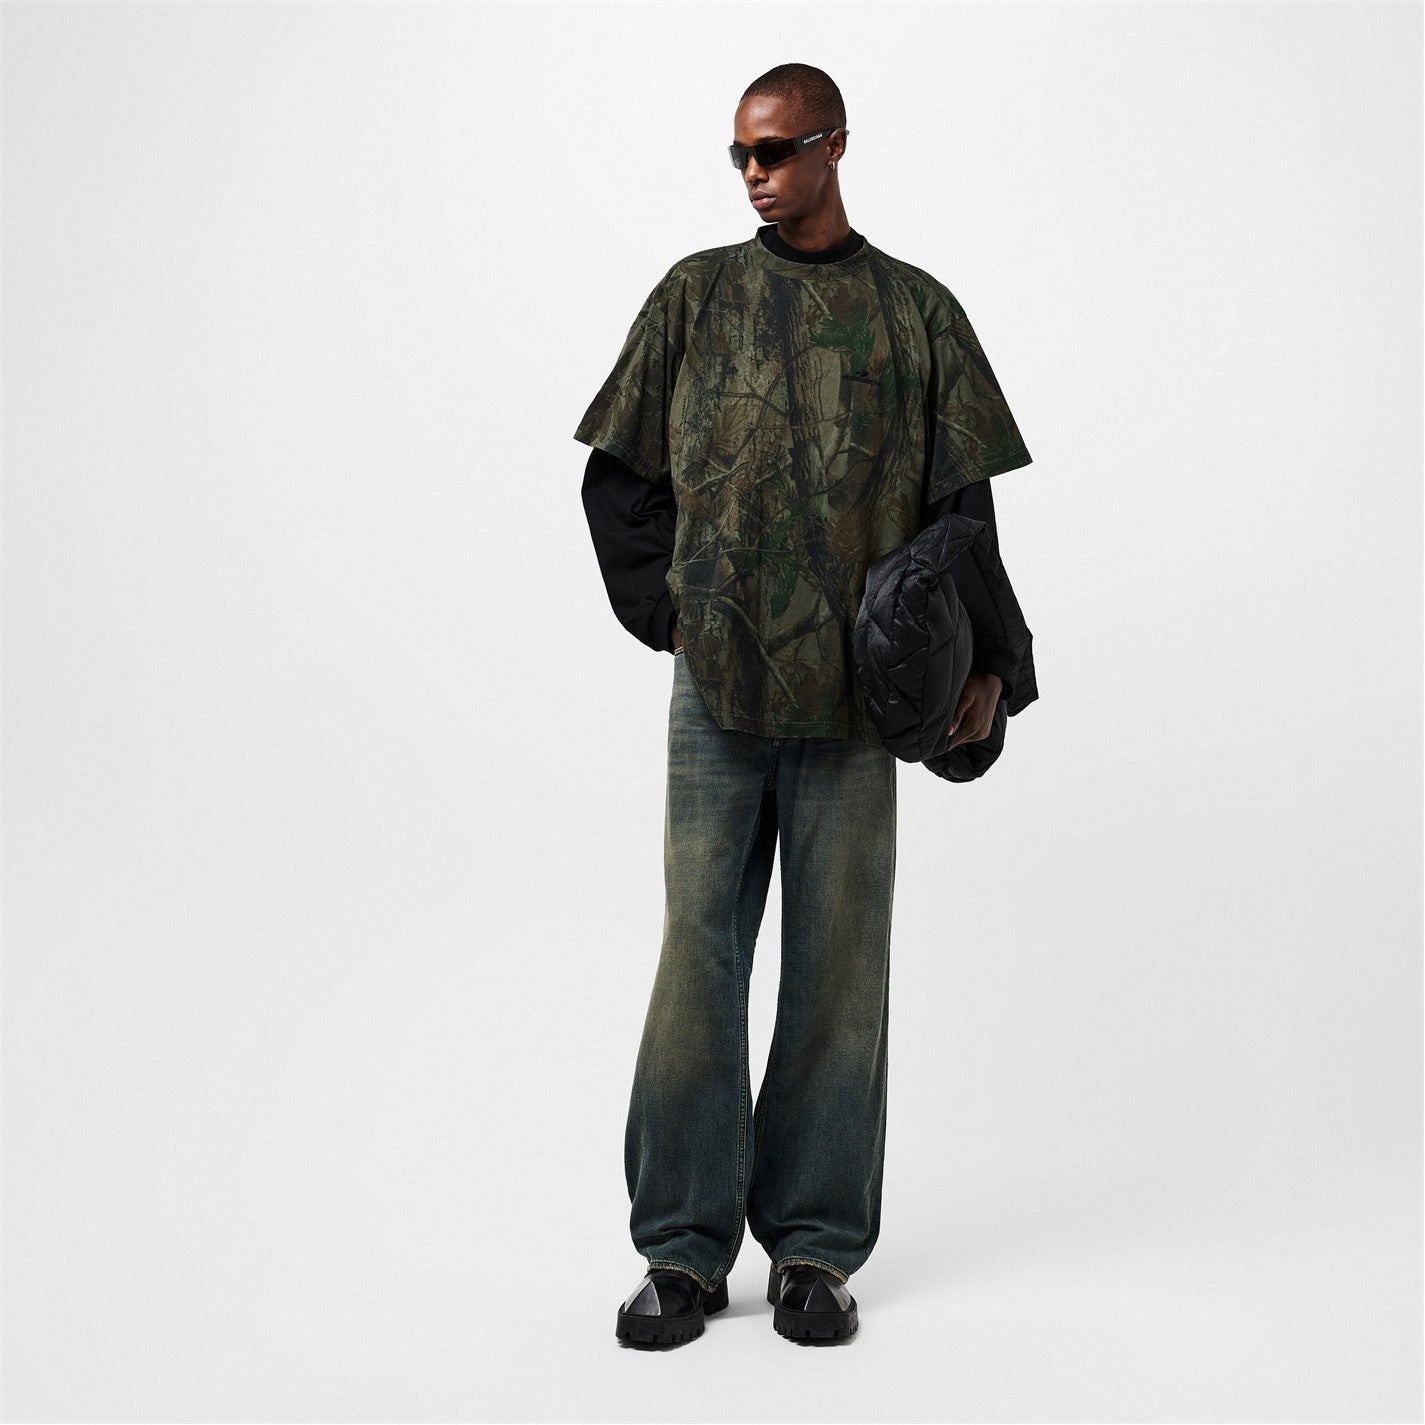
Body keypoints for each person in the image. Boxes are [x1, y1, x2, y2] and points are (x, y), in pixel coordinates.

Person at [574, 63, 1034, 1346]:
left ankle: (817, 1251)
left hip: (855, 711)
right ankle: (679, 1251)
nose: (754, 175)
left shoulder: (916, 313)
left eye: (775, 151)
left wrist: (990, 669)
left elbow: (962, 516)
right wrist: (675, 613)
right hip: (717, 698)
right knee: (698, 962)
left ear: (835, 146)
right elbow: (617, 481)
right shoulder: (695, 297)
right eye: (739, 155)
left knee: (839, 974)